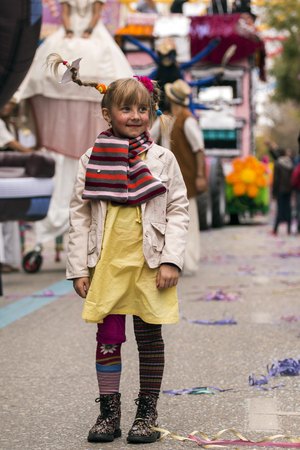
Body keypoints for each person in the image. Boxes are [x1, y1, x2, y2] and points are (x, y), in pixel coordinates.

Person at [47, 55, 189, 443]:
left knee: (149, 337)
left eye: (143, 108)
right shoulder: (90, 160)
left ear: (152, 111)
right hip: (106, 265)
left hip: (149, 263)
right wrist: (79, 268)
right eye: (125, 108)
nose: (135, 115)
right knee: (108, 337)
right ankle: (109, 413)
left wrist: (172, 259)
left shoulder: (163, 160)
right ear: (107, 113)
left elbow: (178, 209)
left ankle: (147, 412)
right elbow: (79, 216)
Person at [18, 0, 134, 247]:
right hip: (80, 32)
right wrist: (73, 31)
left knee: (96, 69)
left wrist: (84, 31)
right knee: (62, 67)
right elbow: (68, 13)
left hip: (89, 32)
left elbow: (92, 13)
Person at [151, 78, 206, 275]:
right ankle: (169, 259)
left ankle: (188, 260)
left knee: (187, 219)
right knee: (165, 219)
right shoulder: (165, 117)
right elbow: (150, 136)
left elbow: (199, 149)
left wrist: (200, 175)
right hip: (165, 177)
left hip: (185, 176)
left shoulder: (187, 119)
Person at [0, 99, 34, 273]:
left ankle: (8, 259)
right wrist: (33, 153)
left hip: (7, 176)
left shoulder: (11, 125)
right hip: (3, 175)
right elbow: (14, 146)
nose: (6, 105)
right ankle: (2, 260)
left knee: (8, 218)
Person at [272, 148, 294, 235]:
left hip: (280, 190)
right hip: (289, 189)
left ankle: (275, 229)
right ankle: (288, 229)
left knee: (280, 209)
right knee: (288, 209)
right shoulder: (290, 163)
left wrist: (274, 192)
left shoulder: (278, 164)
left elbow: (276, 179)